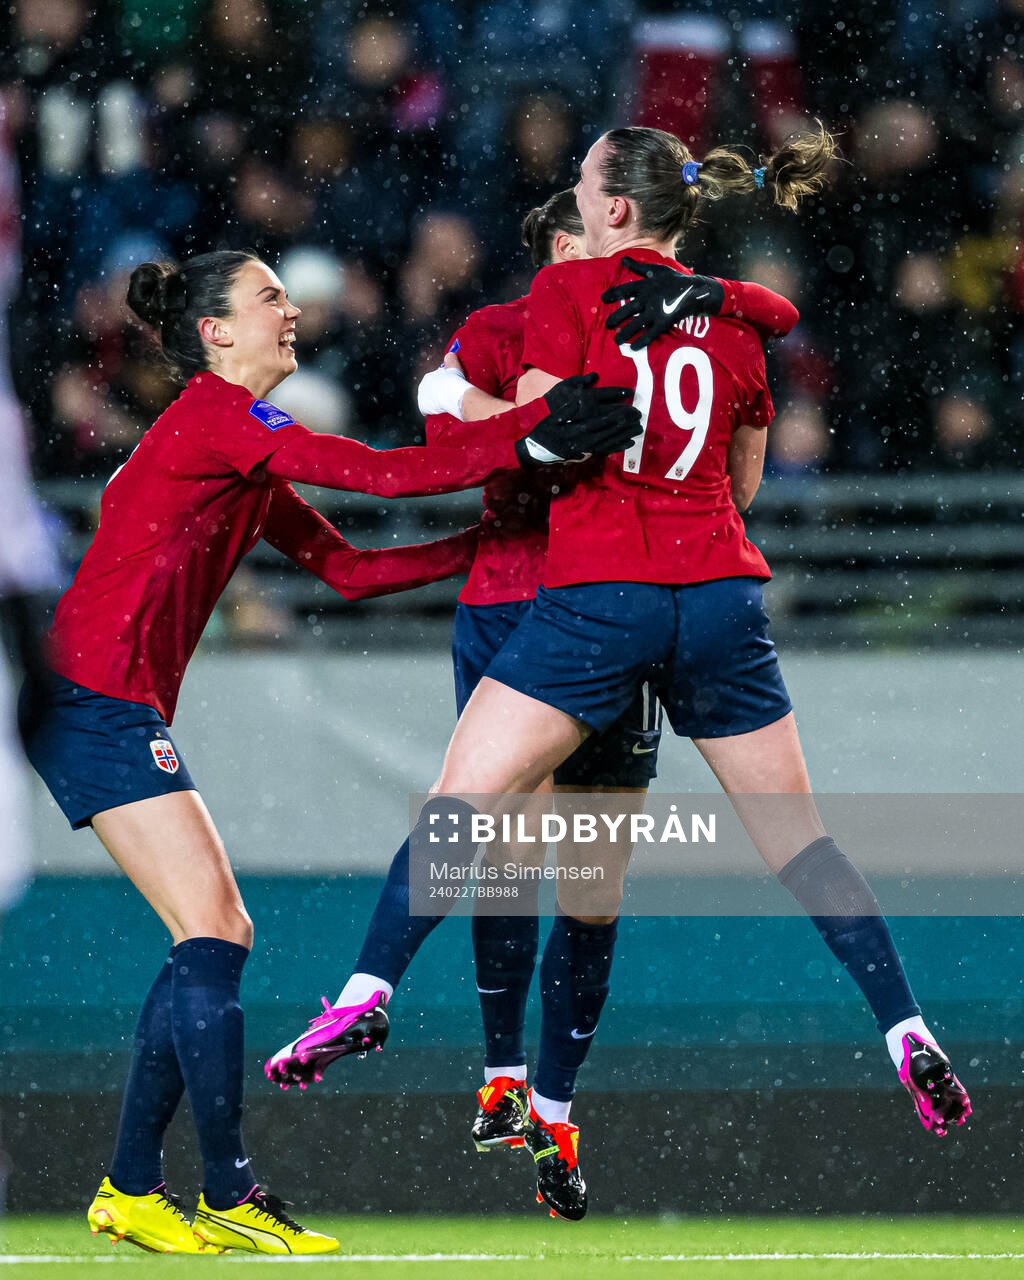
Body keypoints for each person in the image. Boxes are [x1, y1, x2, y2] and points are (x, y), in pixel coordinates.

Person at [271, 124, 973, 1218]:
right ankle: (906, 1025)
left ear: (608, 212)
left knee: (467, 807)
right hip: (721, 594)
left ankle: (366, 993)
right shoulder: (734, 319)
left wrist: (567, 456)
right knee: (800, 838)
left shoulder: (567, 297)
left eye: (585, 186)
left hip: (598, 595)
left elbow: (555, 432)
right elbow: (745, 478)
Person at [20, 248, 639, 1255]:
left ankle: (134, 1184)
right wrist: (527, 436)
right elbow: (384, 475)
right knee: (216, 932)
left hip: (97, 699)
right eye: (268, 295)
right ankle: (226, 1188)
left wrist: (487, 546)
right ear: (215, 331)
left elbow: (346, 570)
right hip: (93, 701)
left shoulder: (233, 444)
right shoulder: (225, 420)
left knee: (204, 938)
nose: (289, 308)